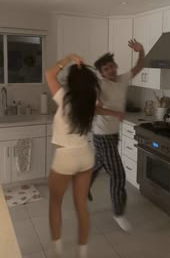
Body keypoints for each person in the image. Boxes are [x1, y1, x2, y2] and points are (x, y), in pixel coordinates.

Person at [45, 53, 100, 258]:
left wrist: (69, 58)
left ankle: (57, 252)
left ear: (70, 82)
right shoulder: (90, 101)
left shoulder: (64, 98)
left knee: (55, 204)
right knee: (81, 206)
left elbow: (49, 74)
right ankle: (82, 252)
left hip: (65, 157)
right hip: (85, 155)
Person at [90, 39, 145, 231]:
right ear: (101, 73)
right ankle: (119, 213)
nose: (111, 70)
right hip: (102, 134)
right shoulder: (99, 85)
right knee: (118, 174)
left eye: (112, 66)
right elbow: (94, 109)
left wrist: (141, 50)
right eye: (106, 68)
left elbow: (139, 67)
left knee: (100, 162)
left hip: (113, 133)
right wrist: (114, 113)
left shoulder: (121, 79)